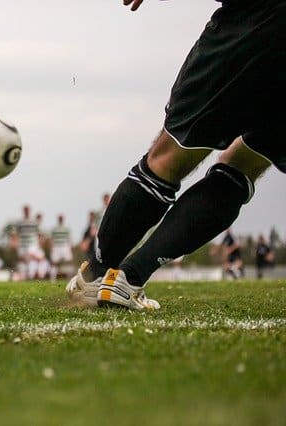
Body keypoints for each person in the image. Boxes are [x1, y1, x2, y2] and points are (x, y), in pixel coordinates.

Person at [68, 0, 284, 310]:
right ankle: (129, 279)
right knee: (244, 165)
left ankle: (96, 277)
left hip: (254, 20)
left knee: (166, 159)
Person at [50, 214, 74, 280]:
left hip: (65, 246)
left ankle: (70, 278)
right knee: (54, 263)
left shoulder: (66, 228)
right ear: (58, 219)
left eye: (61, 218)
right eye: (59, 218)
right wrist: (52, 248)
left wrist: (70, 247)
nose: (60, 219)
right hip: (56, 246)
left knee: (69, 261)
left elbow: (69, 238)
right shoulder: (54, 229)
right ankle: (52, 279)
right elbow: (52, 239)